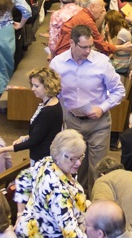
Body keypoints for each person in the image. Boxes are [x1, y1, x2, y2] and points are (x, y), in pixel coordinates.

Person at [51, 25, 126, 190]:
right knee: (76, 168)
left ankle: (97, 206)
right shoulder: (58, 64)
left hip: (98, 124)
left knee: (96, 170)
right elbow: (53, 92)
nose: (87, 51)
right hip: (72, 122)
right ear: (72, 43)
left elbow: (119, 91)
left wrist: (102, 108)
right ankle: (81, 202)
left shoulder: (102, 63)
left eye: (90, 46)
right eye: (83, 47)